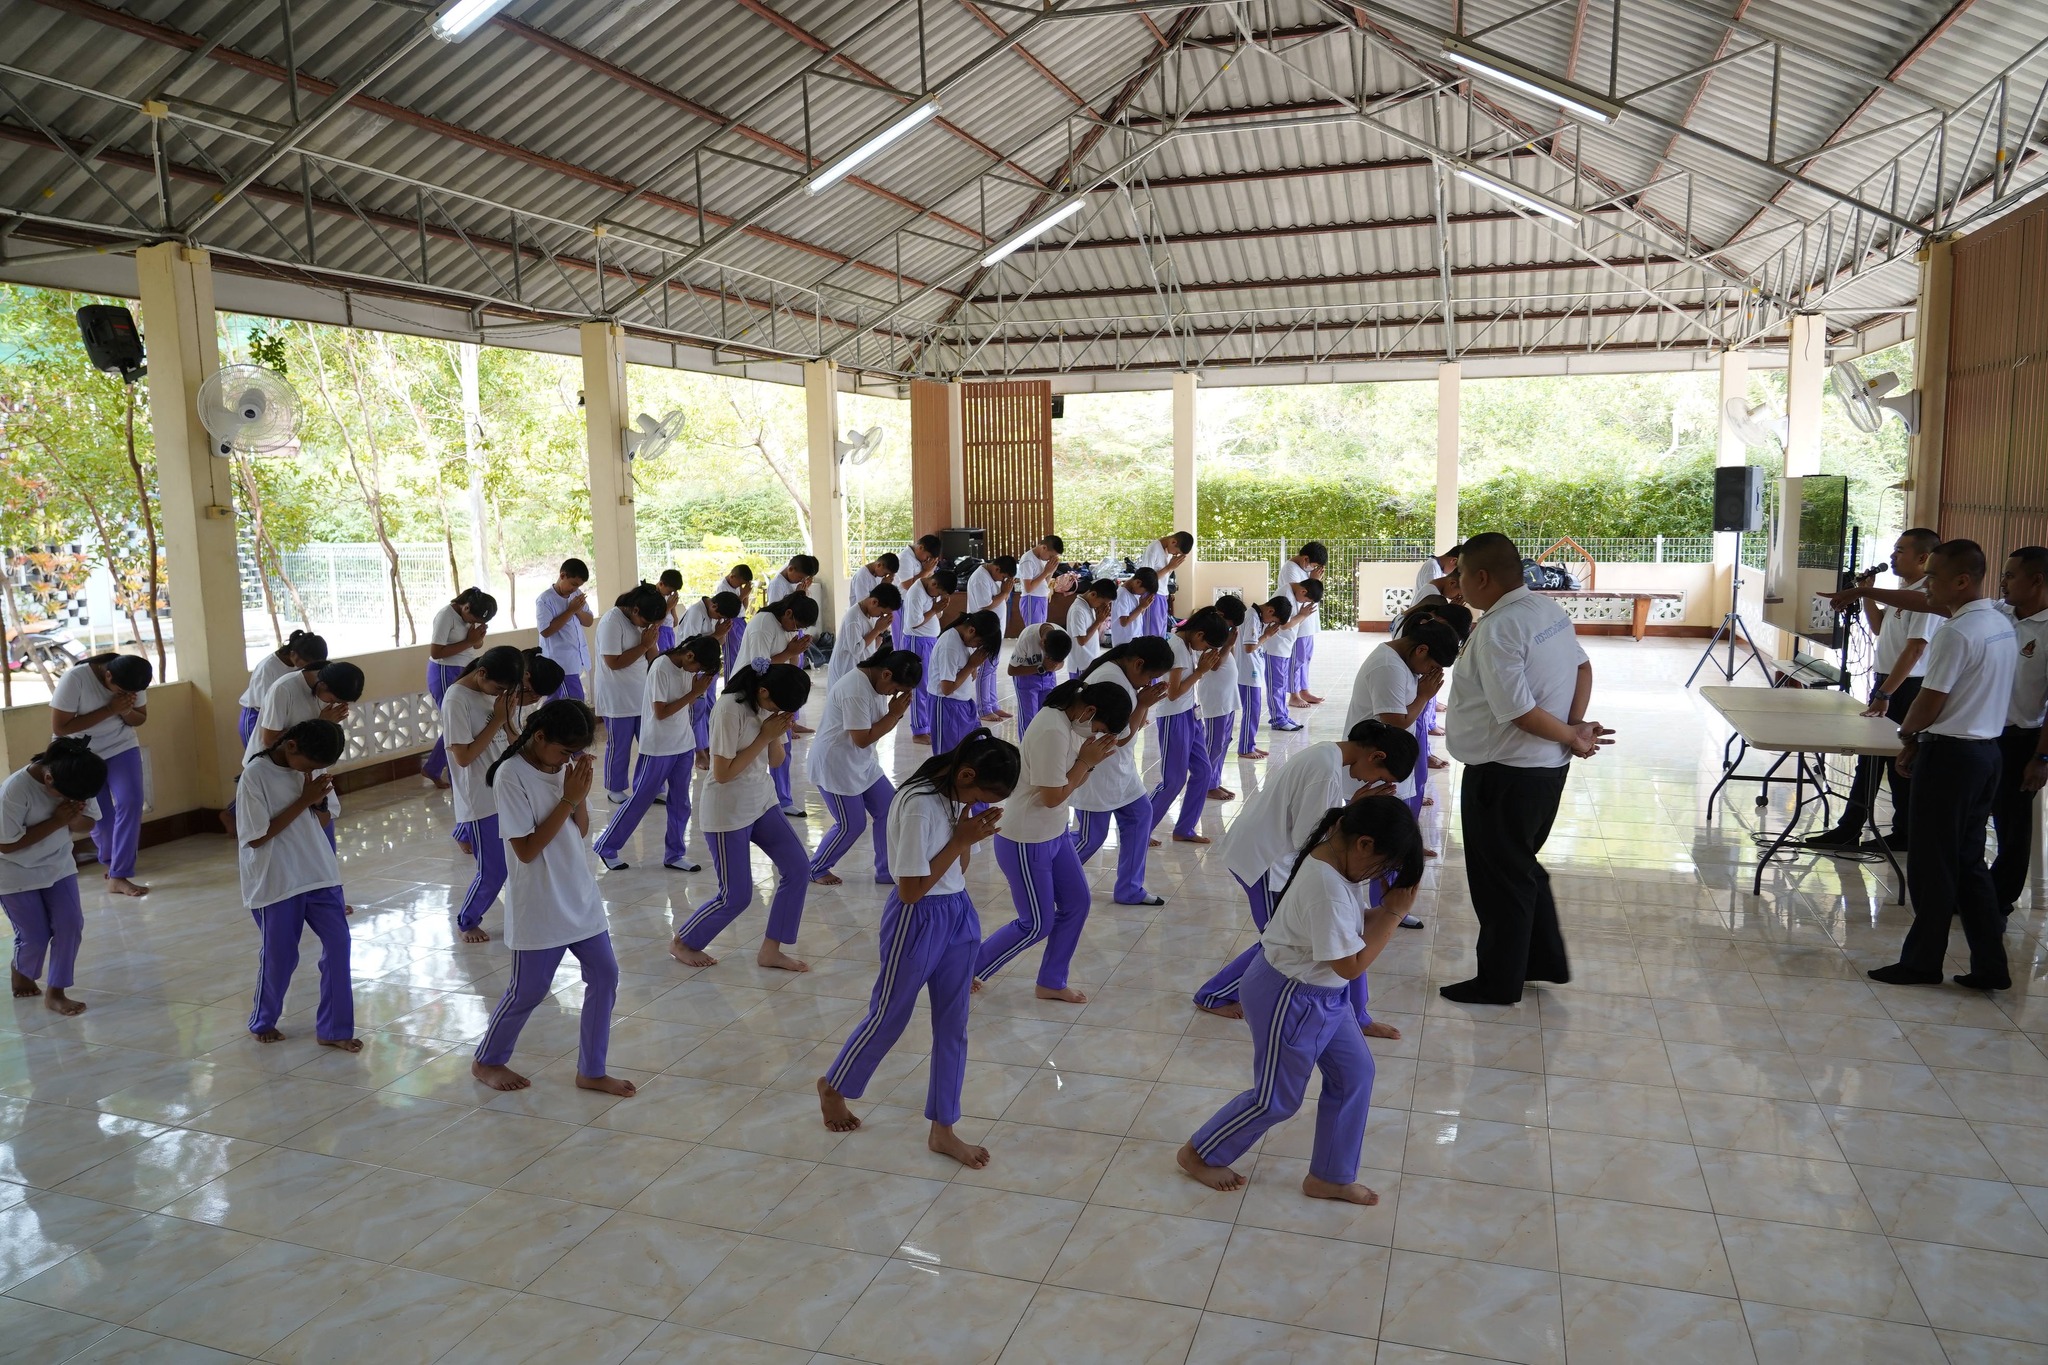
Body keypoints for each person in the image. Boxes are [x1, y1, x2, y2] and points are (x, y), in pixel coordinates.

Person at [1177, 795, 1422, 1202]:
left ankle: (1329, 1176)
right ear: (1364, 844)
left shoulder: (1338, 863)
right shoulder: (1326, 884)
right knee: (1276, 1100)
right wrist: (1394, 915)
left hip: (1322, 994)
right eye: (1385, 865)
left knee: (1354, 1075)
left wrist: (1387, 910)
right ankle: (1199, 1153)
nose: (1381, 876)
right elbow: (1350, 965)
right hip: (1289, 997)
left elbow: (1352, 928)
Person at [817, 731, 1020, 1168]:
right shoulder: (916, 805)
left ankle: (943, 1129)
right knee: (890, 1015)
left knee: (954, 1025)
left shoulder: (955, 797)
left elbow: (957, 867)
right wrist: (961, 840)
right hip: (917, 918)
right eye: (981, 795)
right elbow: (910, 890)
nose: (980, 804)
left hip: (958, 912)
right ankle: (834, 1087)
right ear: (965, 773)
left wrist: (967, 829)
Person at [1439, 533, 1611, 1006]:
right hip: (1543, 769)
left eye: (1459, 575)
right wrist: (1572, 727)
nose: (1455, 584)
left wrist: (1571, 734)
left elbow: (1518, 711)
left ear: (1481, 577)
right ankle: (1540, 961)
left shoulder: (1499, 629)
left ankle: (1498, 981)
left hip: (1505, 773)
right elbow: (1583, 668)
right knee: (1519, 868)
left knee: (1500, 881)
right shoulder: (1546, 611)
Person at [1191, 720, 1418, 1025]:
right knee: (1277, 940)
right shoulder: (1325, 771)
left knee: (1308, 936)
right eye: (1380, 777)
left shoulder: (1326, 755)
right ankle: (1214, 994)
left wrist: (1352, 808)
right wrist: (1352, 812)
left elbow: (1316, 822)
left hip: (1264, 854)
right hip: (1267, 863)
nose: (1372, 781)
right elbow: (1308, 839)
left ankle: (1356, 1015)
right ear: (1376, 756)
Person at [1870, 539, 2017, 991]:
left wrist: (1907, 735)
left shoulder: (1956, 632)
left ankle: (1922, 963)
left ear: (1962, 580)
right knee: (1969, 862)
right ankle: (1991, 965)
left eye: (1933, 576)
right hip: (1986, 752)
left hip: (1951, 756)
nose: (1926, 584)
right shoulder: (1998, 622)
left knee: (1933, 865)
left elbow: (1931, 700)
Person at [471, 699, 636, 1098]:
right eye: (564, 751)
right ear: (540, 736)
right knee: (528, 990)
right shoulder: (511, 775)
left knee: (605, 976)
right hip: (540, 903)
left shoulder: (563, 768)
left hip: (579, 895)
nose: (568, 759)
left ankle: (591, 1070)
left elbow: (579, 831)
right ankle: (487, 1060)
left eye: (574, 754)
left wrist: (577, 794)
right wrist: (567, 798)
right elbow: (526, 850)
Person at [975, 682, 1124, 1002]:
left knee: (1076, 903)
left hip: (1054, 832)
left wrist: (1090, 761)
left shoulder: (1071, 724)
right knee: (1035, 923)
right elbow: (1053, 796)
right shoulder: (1051, 730)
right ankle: (967, 970)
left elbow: (1072, 783)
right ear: (1089, 711)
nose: (1095, 736)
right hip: (1025, 839)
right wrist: (1086, 761)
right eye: (1098, 729)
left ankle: (1051, 981)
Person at [671, 662, 813, 973]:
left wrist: (776, 734)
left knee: (798, 869)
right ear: (763, 691)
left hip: (762, 801)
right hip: (727, 810)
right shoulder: (729, 709)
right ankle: (683, 942)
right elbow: (722, 774)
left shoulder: (768, 709)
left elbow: (775, 762)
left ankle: (771, 950)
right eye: (777, 705)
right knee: (737, 896)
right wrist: (764, 736)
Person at [1813, 529, 1940, 852]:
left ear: (1923, 557)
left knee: (1899, 761)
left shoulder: (1927, 596)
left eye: (1900, 551)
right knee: (1870, 759)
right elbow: (1879, 627)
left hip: (1906, 686)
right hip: (1887, 681)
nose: (1893, 556)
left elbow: (1915, 652)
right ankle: (1850, 828)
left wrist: (1886, 694)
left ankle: (1904, 832)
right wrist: (1866, 592)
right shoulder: (1904, 592)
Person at [237, 719, 358, 1051]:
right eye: (311, 765)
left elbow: (320, 820)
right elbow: (257, 837)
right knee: (281, 955)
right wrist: (305, 799)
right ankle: (264, 1020)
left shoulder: (313, 772)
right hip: (277, 879)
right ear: (290, 746)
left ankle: (334, 1029)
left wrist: (316, 800)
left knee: (339, 946)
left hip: (319, 872)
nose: (313, 772)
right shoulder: (255, 776)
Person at [594, 634, 720, 873]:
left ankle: (675, 854)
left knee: (681, 802)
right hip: (659, 746)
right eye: (697, 667)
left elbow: (686, 705)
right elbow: (661, 712)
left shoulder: (688, 668)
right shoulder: (661, 667)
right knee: (641, 798)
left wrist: (697, 692)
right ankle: (606, 846)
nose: (697, 672)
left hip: (683, 743)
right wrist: (695, 692)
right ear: (689, 655)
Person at [443, 647, 541, 942]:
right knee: (494, 870)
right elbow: (463, 757)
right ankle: (467, 920)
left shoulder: (495, 692)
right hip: (481, 798)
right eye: (498, 688)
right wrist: (498, 719)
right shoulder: (456, 700)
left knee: (522, 860)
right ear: (482, 673)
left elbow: (510, 735)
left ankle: (525, 914)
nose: (501, 693)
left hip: (506, 790)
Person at [2, 737, 105, 1016]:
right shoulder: (15, 790)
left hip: (58, 864)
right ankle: (22, 967)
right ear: (48, 779)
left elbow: (89, 822)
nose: (74, 800)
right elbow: (6, 844)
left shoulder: (77, 777)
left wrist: (72, 819)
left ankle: (56, 991)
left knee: (70, 924)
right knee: (35, 935)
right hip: (12, 871)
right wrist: (58, 821)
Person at [1070, 638, 1172, 906]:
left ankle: (1129, 889)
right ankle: (1045, 876)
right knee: (1089, 838)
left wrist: (1141, 704)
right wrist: (1142, 704)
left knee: (1140, 816)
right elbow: (1120, 737)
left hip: (1119, 768)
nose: (1148, 684)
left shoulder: (1121, 674)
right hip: (1098, 770)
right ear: (1138, 663)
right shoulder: (1110, 679)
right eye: (1150, 677)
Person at [807, 648, 921, 887]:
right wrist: (895, 715)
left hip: (861, 762)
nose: (895, 695)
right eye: (896, 689)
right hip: (835, 764)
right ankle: (816, 867)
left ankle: (886, 871)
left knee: (889, 809)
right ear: (886, 674)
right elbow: (862, 738)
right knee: (851, 824)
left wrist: (894, 715)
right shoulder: (855, 690)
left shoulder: (876, 682)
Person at [49, 652, 151, 897]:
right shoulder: (76, 679)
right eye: (120, 689)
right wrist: (110, 709)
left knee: (131, 801)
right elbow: (60, 727)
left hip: (121, 747)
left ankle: (119, 874)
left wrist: (126, 711)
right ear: (107, 675)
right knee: (100, 815)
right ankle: (110, 862)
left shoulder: (133, 674)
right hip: (79, 753)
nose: (125, 694)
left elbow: (141, 718)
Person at [1345, 616, 1461, 830]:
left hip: (1390, 753)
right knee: (1375, 826)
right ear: (1421, 650)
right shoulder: (1388, 667)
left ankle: (1403, 848)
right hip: (1374, 758)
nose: (1429, 672)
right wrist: (1424, 696)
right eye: (1432, 666)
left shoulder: (1402, 661)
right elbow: (1396, 722)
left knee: (1395, 820)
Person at [1992, 547, 2048, 919]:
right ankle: (1973, 890)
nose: (2004, 581)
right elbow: (1930, 602)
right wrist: (1866, 593)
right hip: (1983, 735)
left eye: (2011, 575)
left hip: (2022, 741)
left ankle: (1999, 899)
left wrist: (2041, 758)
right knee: (1973, 817)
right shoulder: (1999, 613)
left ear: (2037, 580)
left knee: (2013, 826)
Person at [1147, 609, 1231, 844]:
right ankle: (1140, 828)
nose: (1204, 651)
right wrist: (1200, 672)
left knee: (1203, 772)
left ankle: (1184, 828)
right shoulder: (1177, 648)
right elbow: (1173, 693)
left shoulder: (1185, 645)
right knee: (1173, 781)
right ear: (1199, 634)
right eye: (1206, 646)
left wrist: (1199, 672)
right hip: (1174, 717)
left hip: (1190, 715)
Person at [741, 593, 821, 815]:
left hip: (775, 694)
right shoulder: (763, 624)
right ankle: (758, 800)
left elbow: (790, 661)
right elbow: (757, 667)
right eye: (796, 624)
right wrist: (790, 652)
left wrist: (796, 657)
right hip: (752, 693)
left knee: (782, 748)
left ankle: (782, 801)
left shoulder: (787, 628)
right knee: (751, 752)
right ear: (788, 613)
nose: (795, 630)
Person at [593, 583, 666, 804]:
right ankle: (615, 789)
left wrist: (651, 644)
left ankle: (652, 786)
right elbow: (613, 662)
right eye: (647, 621)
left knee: (650, 742)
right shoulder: (611, 622)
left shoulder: (642, 622)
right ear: (635, 610)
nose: (649, 626)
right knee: (620, 746)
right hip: (617, 698)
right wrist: (644, 646)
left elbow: (653, 656)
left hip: (641, 694)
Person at [421, 587, 497, 787]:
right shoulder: (447, 615)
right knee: (455, 724)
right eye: (473, 618)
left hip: (465, 668)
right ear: (466, 606)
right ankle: (437, 769)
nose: (472, 622)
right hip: (445, 671)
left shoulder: (470, 617)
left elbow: (476, 646)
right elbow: (436, 652)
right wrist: (469, 640)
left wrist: (477, 638)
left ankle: (433, 767)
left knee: (461, 722)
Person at [677, 589, 744, 764]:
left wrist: (721, 633)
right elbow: (690, 646)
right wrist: (717, 633)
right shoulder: (695, 613)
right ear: (713, 605)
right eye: (719, 615)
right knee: (696, 708)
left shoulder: (717, 614)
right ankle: (698, 750)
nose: (718, 619)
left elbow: (719, 642)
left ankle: (706, 744)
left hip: (708, 665)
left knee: (709, 706)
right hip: (693, 666)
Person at [922, 609, 1000, 755]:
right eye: (979, 643)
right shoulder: (949, 646)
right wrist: (971, 665)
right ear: (971, 630)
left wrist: (971, 667)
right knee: (948, 757)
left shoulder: (964, 638)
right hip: (945, 705)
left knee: (973, 751)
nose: (976, 647)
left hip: (963, 703)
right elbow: (946, 688)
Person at [1196, 596, 1248, 799]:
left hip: (1227, 696)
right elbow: (1214, 664)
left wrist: (1229, 643)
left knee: (1225, 740)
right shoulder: (1210, 632)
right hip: (1215, 697)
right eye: (1230, 625)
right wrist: (1228, 644)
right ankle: (1207, 785)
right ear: (1221, 615)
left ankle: (1215, 780)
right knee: (1214, 743)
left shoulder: (1222, 632)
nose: (1229, 629)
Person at [238, 630, 328, 746]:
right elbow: (266, 708)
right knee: (260, 756)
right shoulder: (267, 669)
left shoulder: (304, 665)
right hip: (257, 718)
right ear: (293, 655)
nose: (312, 669)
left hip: (283, 718)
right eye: (309, 664)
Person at [901, 563, 950, 745]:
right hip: (917, 641)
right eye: (939, 593)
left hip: (929, 640)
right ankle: (919, 730)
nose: (937, 596)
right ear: (934, 584)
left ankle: (927, 725)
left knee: (929, 684)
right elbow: (914, 623)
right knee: (919, 685)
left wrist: (938, 606)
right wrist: (935, 609)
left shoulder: (930, 591)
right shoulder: (916, 593)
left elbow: (934, 616)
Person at [1264, 578, 1321, 733]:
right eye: (1306, 599)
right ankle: (1278, 719)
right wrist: (1303, 615)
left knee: (1281, 684)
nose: (1304, 602)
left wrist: (1302, 615)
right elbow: (1284, 624)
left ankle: (1283, 716)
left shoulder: (1293, 594)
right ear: (1303, 591)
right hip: (1275, 647)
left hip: (1285, 648)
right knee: (1276, 685)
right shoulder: (1286, 595)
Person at [1238, 596, 1292, 758]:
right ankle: (1246, 748)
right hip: (1247, 672)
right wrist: (1267, 635)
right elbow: (1248, 647)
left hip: (1252, 669)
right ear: (1270, 610)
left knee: (1254, 710)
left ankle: (1250, 744)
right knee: (1251, 711)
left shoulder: (1255, 616)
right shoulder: (1252, 617)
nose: (1270, 624)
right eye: (1272, 620)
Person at [533, 559, 594, 701]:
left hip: (576, 659)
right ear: (562, 575)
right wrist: (571, 610)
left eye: (578, 586)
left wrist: (577, 611)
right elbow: (545, 631)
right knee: (573, 701)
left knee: (563, 702)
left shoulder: (576, 595)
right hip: (559, 662)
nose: (574, 588)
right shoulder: (545, 599)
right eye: (573, 584)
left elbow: (589, 621)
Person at [966, 556, 1017, 723]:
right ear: (997, 569)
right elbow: (985, 606)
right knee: (985, 669)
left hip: (994, 630)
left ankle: (993, 705)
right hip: (985, 630)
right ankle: (983, 709)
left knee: (992, 668)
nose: (1003, 580)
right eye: (1003, 577)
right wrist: (1005, 593)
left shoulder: (990, 576)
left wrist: (1004, 592)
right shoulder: (980, 579)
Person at [828, 583, 902, 688]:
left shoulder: (870, 614)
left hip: (859, 671)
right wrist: (877, 630)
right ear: (874, 602)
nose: (881, 616)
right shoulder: (854, 618)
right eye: (881, 613)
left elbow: (872, 646)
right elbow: (856, 649)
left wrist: (881, 631)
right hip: (845, 671)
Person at [1282, 542, 1329, 708]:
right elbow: (1298, 592)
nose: (1313, 569)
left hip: (1307, 621)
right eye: (1313, 565)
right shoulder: (1290, 569)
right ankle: (1294, 694)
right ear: (1305, 559)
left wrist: (1313, 579)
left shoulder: (1304, 569)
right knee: (1297, 658)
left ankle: (1304, 689)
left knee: (1305, 657)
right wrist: (1313, 581)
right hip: (1298, 621)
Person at [1006, 622, 1072, 736]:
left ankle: (1042, 748)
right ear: (1042, 642)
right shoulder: (1027, 638)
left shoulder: (1063, 638)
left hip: (1049, 678)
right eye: (1049, 657)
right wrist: (1042, 668)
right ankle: (1025, 751)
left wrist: (1053, 666)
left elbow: (1060, 664)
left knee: (1047, 716)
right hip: (1026, 678)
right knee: (1029, 720)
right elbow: (1011, 670)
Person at [1137, 531, 1194, 635]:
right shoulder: (1153, 549)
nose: (1176, 554)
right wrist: (1169, 567)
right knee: (1152, 634)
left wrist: (1172, 567)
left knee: (1161, 633)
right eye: (1177, 552)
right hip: (1152, 596)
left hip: (1163, 595)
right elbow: (1146, 579)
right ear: (1173, 542)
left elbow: (1164, 575)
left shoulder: (1168, 551)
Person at [893, 534, 943, 650]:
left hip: (918, 603)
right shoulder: (905, 558)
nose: (927, 560)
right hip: (903, 603)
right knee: (901, 642)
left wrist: (929, 571)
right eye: (927, 556)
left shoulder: (920, 559)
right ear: (921, 547)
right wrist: (926, 571)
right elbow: (908, 585)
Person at [1065, 577, 1117, 679]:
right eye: (1102, 603)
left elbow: (1093, 633)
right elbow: (1082, 640)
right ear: (1093, 594)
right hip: (1081, 665)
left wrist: (1100, 621)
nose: (1102, 606)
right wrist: (1098, 621)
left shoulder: (1090, 606)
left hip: (1089, 661)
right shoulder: (1078, 610)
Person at [1015, 535, 1065, 626]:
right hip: (1031, 599)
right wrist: (1046, 572)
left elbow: (1044, 583)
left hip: (1042, 597)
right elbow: (1028, 588)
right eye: (1051, 555)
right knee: (1033, 632)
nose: (1050, 558)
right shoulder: (1028, 560)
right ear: (1044, 547)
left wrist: (1051, 572)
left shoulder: (1043, 558)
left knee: (1041, 631)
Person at [717, 564, 756, 676]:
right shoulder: (723, 588)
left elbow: (744, 607)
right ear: (732, 577)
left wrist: (746, 595)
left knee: (742, 655)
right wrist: (742, 595)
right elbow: (728, 609)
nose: (740, 586)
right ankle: (730, 686)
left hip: (741, 621)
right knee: (732, 657)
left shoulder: (738, 586)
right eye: (740, 583)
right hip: (730, 622)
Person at [1111, 568, 1159, 648]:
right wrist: (1141, 607)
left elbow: (1137, 616)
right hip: (1124, 642)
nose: (1143, 594)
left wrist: (1143, 607)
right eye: (1144, 591)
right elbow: (1124, 622)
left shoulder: (1135, 592)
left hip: (1135, 638)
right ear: (1138, 582)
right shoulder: (1122, 594)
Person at [655, 569, 686, 652]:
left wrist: (673, 607)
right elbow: (655, 623)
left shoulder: (667, 597)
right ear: (661, 584)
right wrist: (668, 607)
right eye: (670, 591)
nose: (670, 594)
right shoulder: (653, 597)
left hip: (669, 633)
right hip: (659, 634)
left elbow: (675, 623)